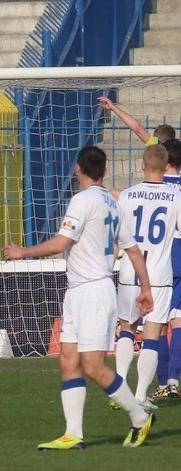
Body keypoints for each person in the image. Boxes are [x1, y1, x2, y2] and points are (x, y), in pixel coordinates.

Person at [4, 146, 156, 449]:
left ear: (77, 169)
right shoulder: (113, 204)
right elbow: (134, 250)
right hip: (77, 290)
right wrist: (146, 288)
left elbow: (61, 243)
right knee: (68, 361)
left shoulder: (82, 199)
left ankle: (139, 416)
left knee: (93, 366)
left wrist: (23, 252)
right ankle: (73, 434)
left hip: (94, 292)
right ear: (105, 171)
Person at [113, 144, 181, 412]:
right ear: (165, 167)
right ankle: (140, 396)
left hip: (130, 271)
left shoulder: (127, 196)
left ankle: (119, 389)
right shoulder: (176, 196)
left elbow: (118, 237)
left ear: (142, 165)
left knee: (127, 329)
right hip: (159, 276)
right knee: (152, 334)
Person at [159, 138, 181, 398]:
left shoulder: (156, 187)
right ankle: (174, 378)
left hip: (162, 259)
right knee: (178, 321)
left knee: (156, 323)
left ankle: (163, 383)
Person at [98, 97, 175, 145]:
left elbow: (138, 128)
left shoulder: (158, 146)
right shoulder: (177, 152)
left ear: (156, 138)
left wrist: (113, 108)